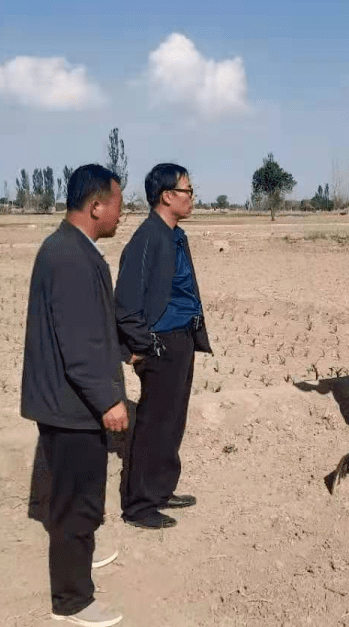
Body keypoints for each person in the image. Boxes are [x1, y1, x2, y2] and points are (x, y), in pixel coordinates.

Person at [20, 164, 127, 627]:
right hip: (73, 406)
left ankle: (77, 565)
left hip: (69, 402)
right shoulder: (69, 257)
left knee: (75, 497)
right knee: (75, 501)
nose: (122, 216)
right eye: (118, 207)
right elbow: (80, 343)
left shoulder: (69, 249)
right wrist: (109, 400)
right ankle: (73, 600)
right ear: (96, 206)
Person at [115, 163, 212, 530]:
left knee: (173, 421)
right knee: (155, 424)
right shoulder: (147, 239)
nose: (192, 197)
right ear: (167, 196)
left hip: (181, 338)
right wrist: (140, 347)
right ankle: (139, 506)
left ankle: (161, 489)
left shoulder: (175, 235)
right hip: (159, 344)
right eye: (187, 190)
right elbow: (124, 304)